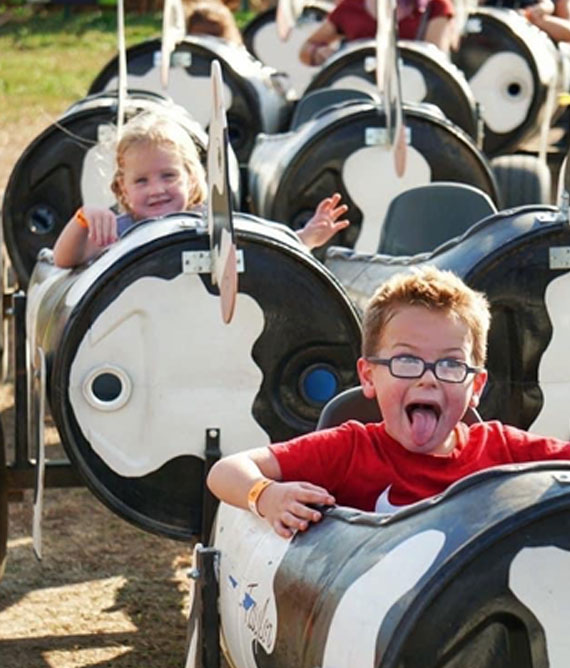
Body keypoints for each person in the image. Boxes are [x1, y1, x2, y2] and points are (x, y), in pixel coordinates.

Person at [207, 266, 570, 538]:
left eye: (451, 364)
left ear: (476, 385)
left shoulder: (503, 449)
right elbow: (225, 472)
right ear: (368, 376)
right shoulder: (350, 449)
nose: (428, 377)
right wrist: (266, 496)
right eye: (407, 361)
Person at [52, 112, 350, 268]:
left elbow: (262, 244)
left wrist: (304, 238)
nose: (156, 189)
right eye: (141, 181)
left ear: (192, 179)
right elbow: (63, 259)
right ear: (123, 190)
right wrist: (83, 219)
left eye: (168, 176)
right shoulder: (117, 232)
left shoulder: (210, 223)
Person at [299, 0, 455, 67]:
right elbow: (306, 49)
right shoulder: (351, 5)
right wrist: (318, 53)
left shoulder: (435, 6)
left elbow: (435, 60)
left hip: (414, 94)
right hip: (358, 95)